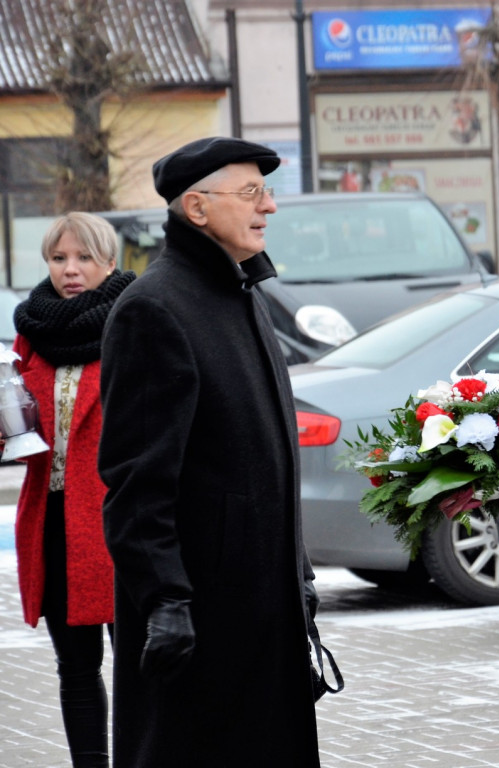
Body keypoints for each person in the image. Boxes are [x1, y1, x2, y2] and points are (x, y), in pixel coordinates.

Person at [97, 137, 322, 767]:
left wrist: (297, 573)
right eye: (252, 193)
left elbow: (265, 460)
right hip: (200, 619)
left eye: (267, 192)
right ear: (196, 209)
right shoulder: (155, 310)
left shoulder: (242, 294)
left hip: (260, 609)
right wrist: (164, 599)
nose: (269, 207)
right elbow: (137, 482)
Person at [12, 212, 136, 767]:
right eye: (60, 258)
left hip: (122, 521)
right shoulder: (32, 330)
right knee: (76, 667)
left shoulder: (134, 321)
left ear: (109, 261)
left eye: (84, 257)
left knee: (137, 664)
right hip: (55, 523)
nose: (71, 270)